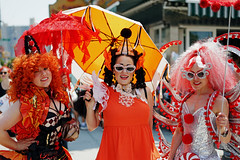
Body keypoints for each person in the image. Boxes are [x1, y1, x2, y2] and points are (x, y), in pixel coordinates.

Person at [84, 28, 160, 160]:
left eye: (129, 68)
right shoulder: (103, 91)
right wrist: (90, 107)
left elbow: (149, 127)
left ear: (135, 70)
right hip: (113, 153)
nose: (124, 72)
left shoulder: (146, 92)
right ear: (112, 69)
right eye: (119, 67)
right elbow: (91, 126)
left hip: (141, 153)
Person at [0, 34, 79, 159]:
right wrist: (16, 145)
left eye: (46, 68)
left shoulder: (58, 94)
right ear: (27, 77)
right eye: (36, 71)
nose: (44, 73)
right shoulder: (25, 102)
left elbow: (68, 132)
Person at [166, 39, 237, 159]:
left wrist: (223, 128)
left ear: (210, 73)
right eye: (190, 74)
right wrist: (170, 157)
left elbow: (225, 140)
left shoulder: (219, 101)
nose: (195, 79)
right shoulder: (186, 99)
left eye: (200, 74)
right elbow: (179, 132)